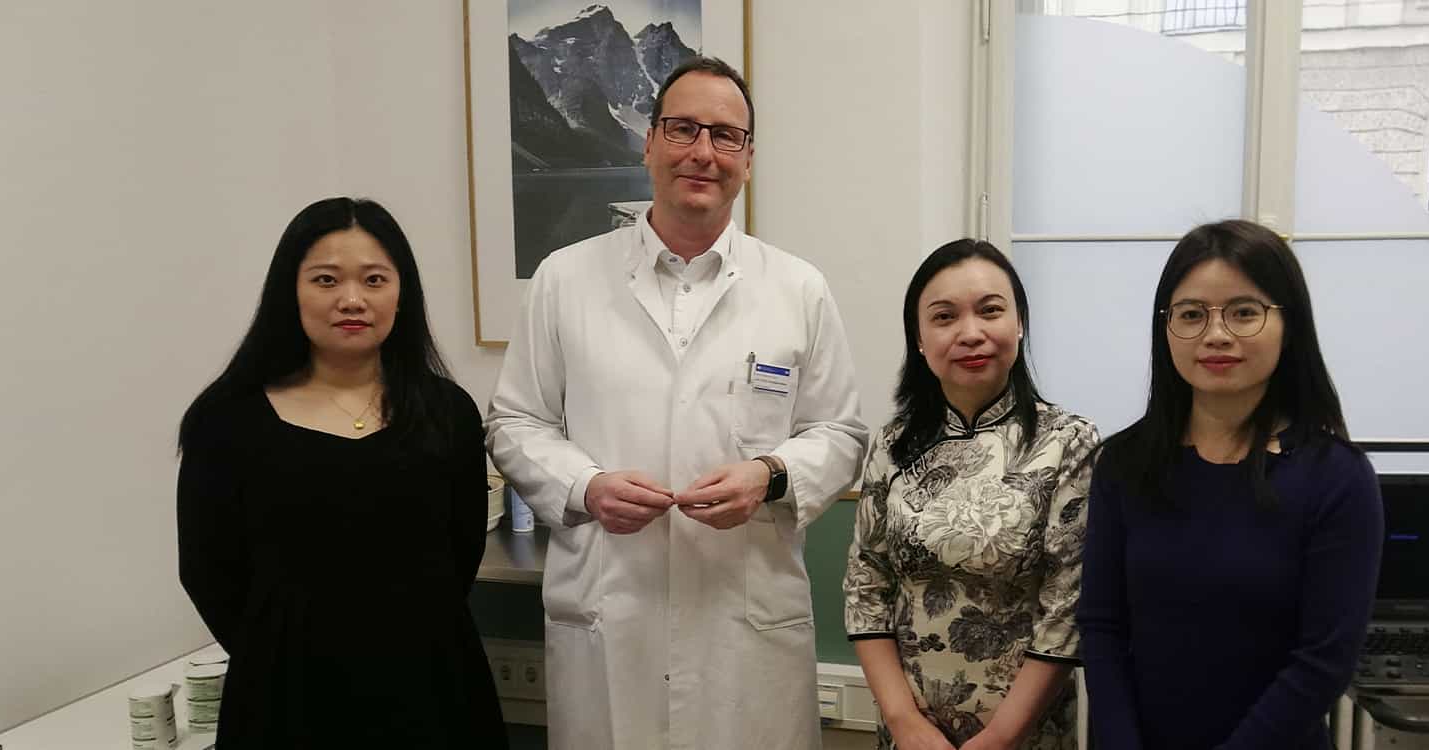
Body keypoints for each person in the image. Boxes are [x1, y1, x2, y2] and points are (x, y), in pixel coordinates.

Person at [486, 56, 868, 749]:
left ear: (748, 158)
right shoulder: (564, 279)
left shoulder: (798, 289)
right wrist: (585, 485)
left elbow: (840, 432)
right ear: (649, 142)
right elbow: (515, 422)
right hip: (612, 611)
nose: (702, 152)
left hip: (744, 620)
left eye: (725, 135)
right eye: (682, 128)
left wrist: (770, 476)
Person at [176, 197, 508, 749]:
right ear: (290, 290)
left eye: (374, 280)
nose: (352, 299)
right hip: (285, 694)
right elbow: (208, 570)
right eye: (326, 280)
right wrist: (280, 649)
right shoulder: (227, 420)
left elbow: (461, 549)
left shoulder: (445, 411)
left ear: (401, 292)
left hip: (431, 685)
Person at [1077, 219, 1383, 749]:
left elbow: (1323, 661)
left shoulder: (1338, 477)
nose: (1216, 334)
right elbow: (1102, 627)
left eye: (1244, 312)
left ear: (1289, 324)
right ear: (1166, 327)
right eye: (1192, 314)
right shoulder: (1124, 463)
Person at [843, 240, 1096, 750]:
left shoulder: (1068, 441)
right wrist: (903, 721)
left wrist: (1000, 738)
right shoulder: (893, 444)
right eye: (944, 317)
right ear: (919, 338)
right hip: (910, 728)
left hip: (1024, 732)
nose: (970, 333)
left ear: (1019, 323)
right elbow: (866, 585)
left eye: (990, 310)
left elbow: (1065, 610)